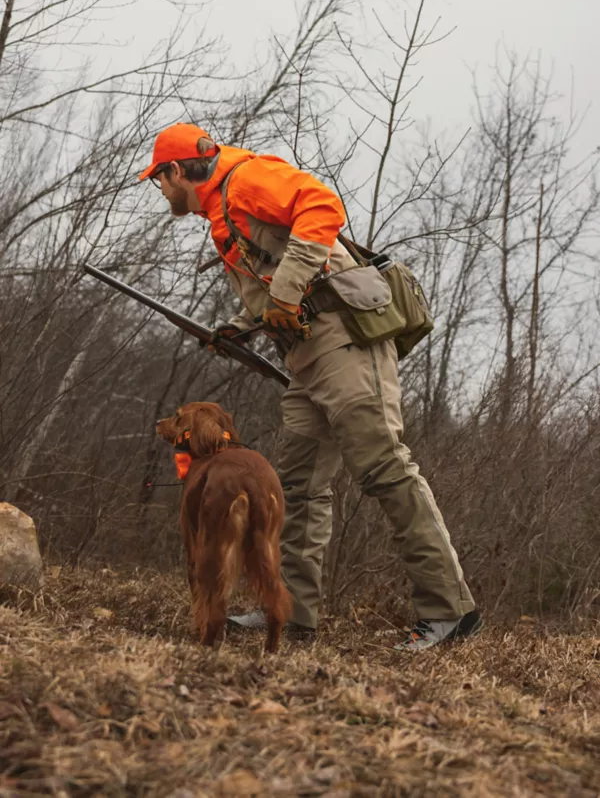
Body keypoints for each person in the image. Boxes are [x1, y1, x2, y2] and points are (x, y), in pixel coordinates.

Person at [139, 122, 483, 651]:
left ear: (176, 170)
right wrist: (242, 323)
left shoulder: (246, 178)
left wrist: (285, 292)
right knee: (297, 485)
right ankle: (292, 612)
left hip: (345, 340)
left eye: (158, 180)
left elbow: (322, 207)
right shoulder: (222, 209)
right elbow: (278, 281)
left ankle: (449, 612)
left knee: (386, 469)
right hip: (306, 355)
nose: (161, 191)